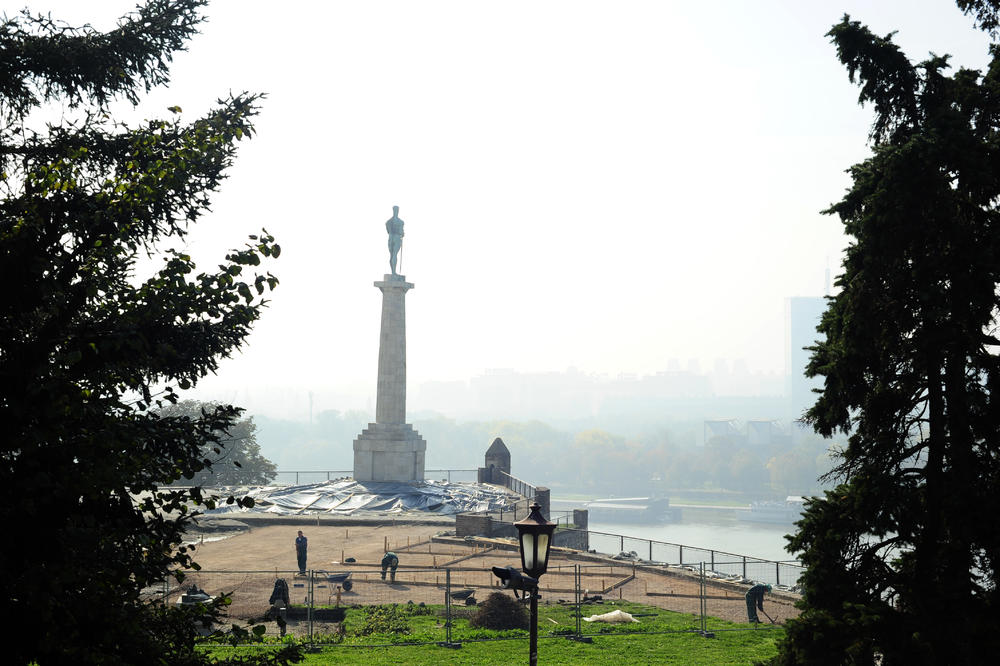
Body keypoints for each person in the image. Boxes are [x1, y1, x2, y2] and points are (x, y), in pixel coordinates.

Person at [385, 205, 404, 275]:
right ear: (397, 211)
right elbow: (401, 232)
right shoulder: (401, 222)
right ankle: (393, 272)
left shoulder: (388, 222)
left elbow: (388, 231)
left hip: (390, 237)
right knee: (394, 254)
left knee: (392, 255)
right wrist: (402, 234)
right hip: (396, 237)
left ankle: (393, 271)